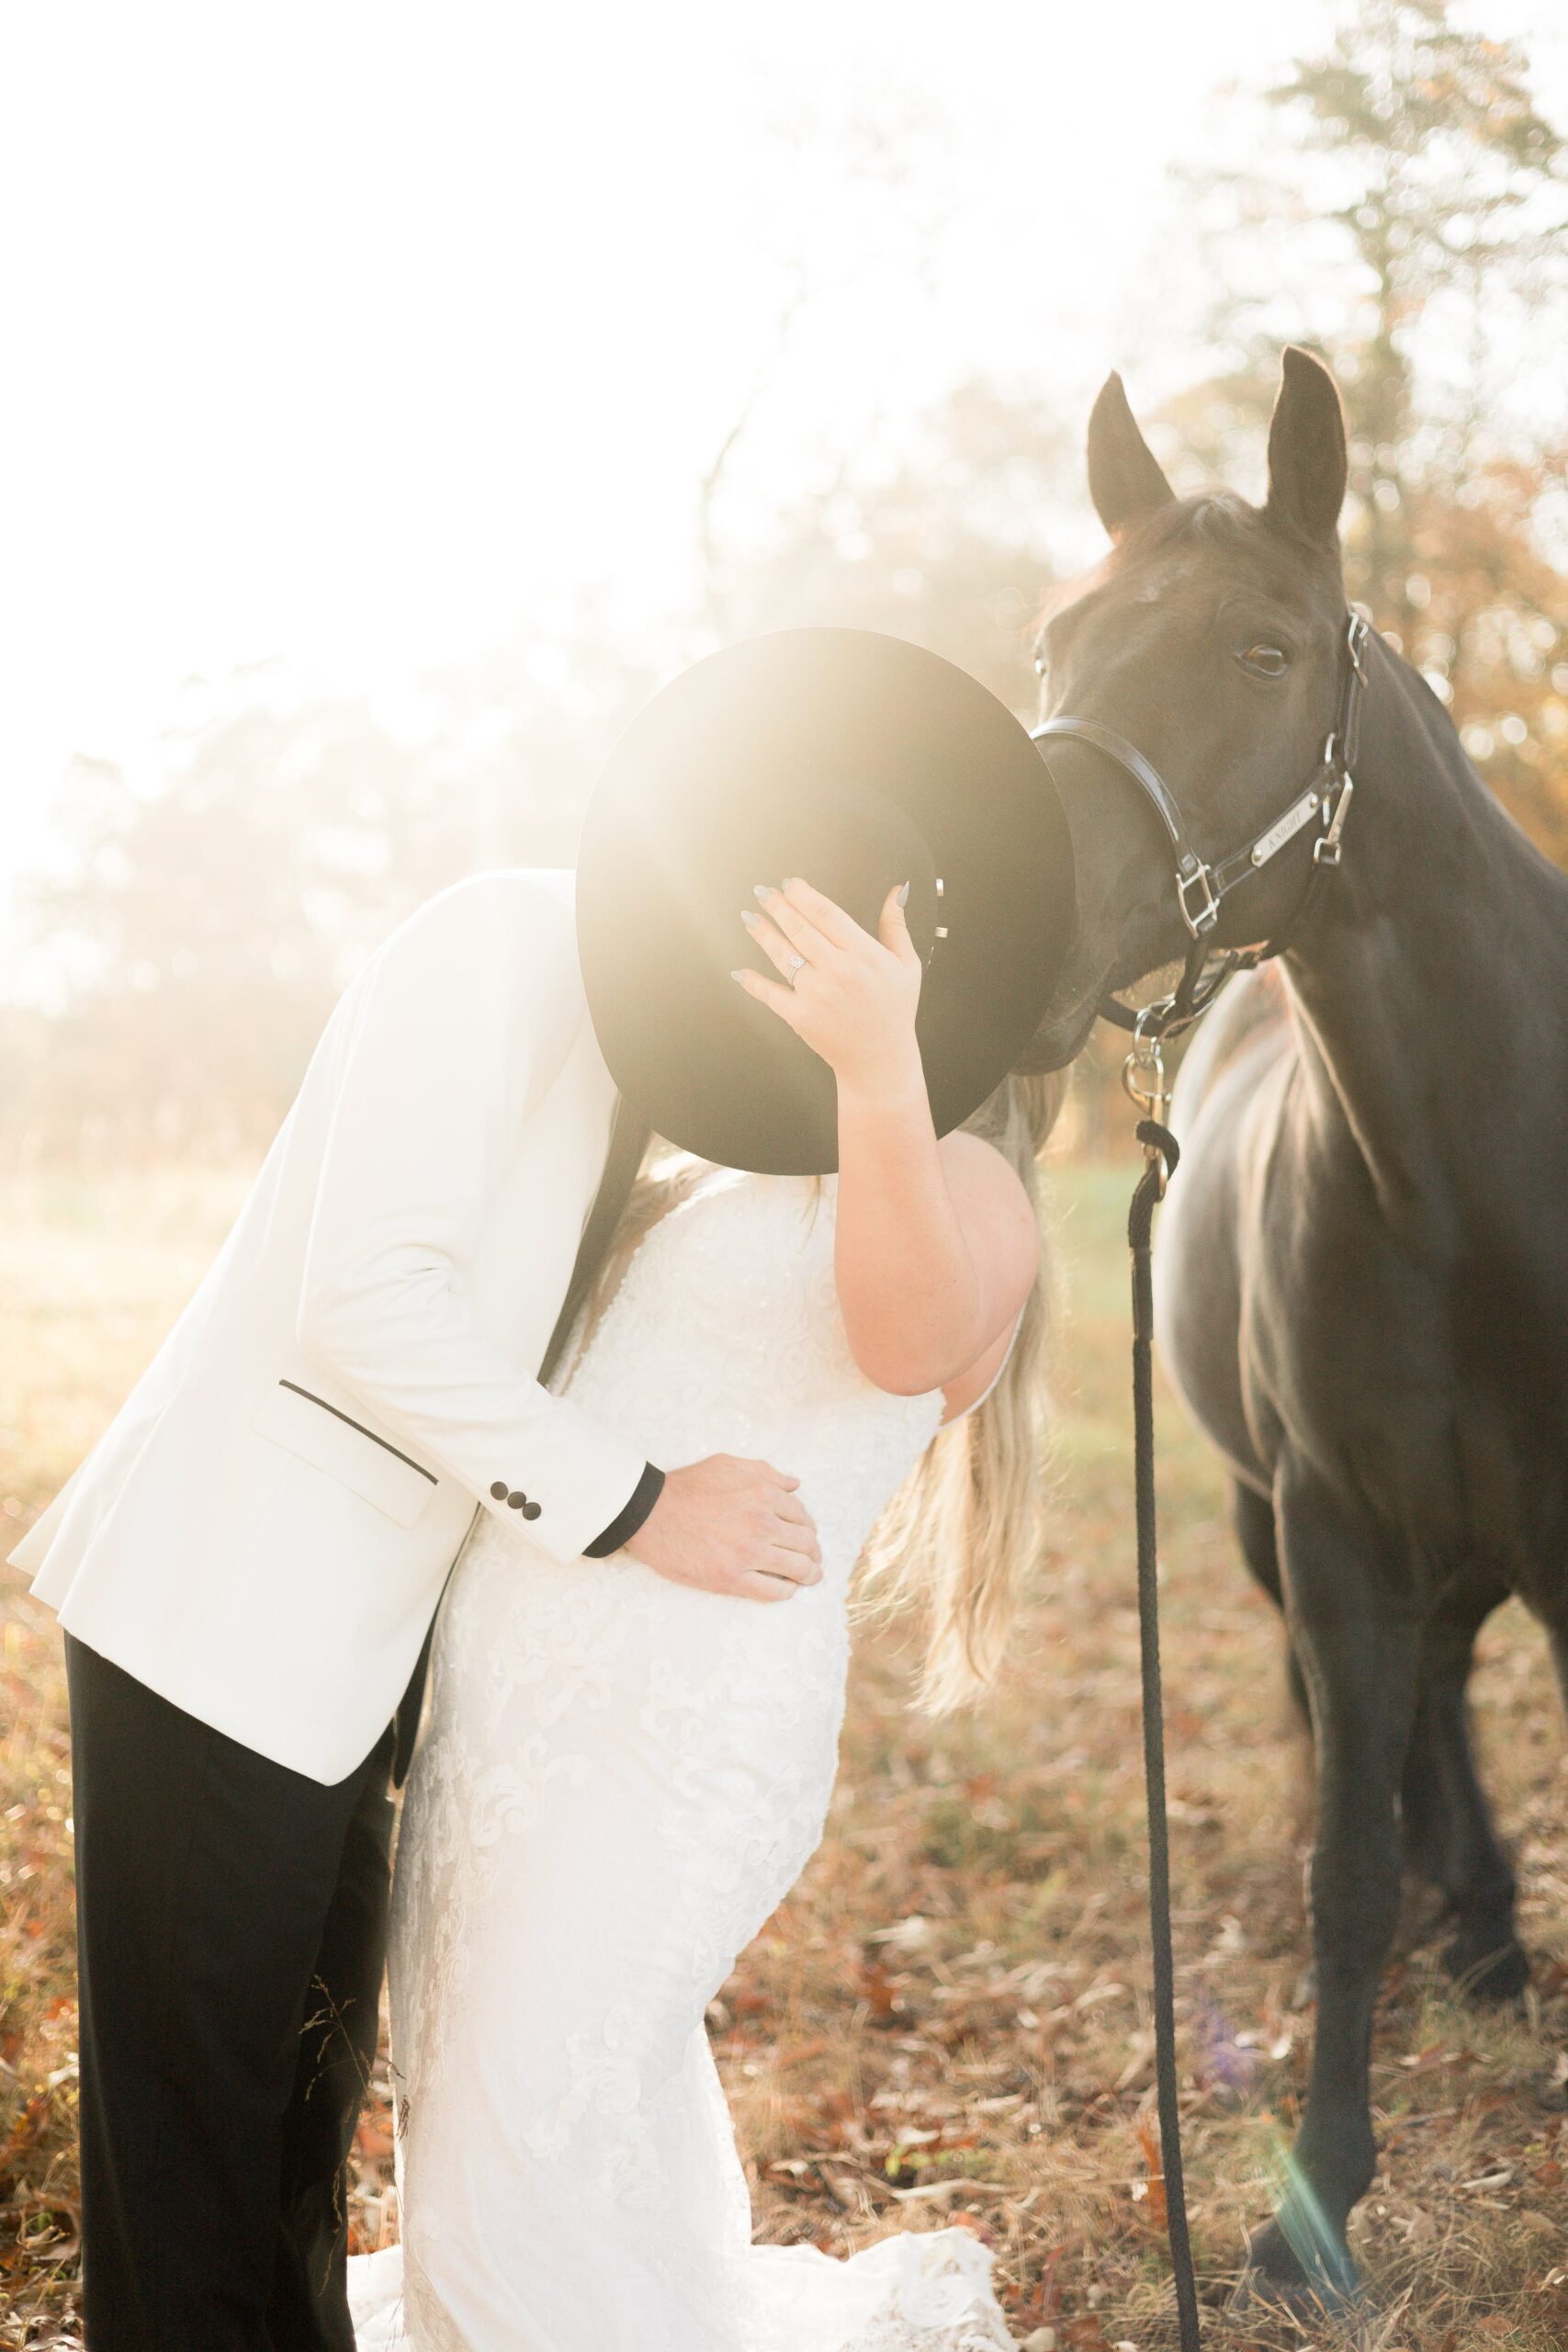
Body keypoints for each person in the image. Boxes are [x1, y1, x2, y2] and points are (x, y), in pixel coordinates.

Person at [348, 628, 1077, 2350]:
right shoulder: (753, 1158)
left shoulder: (974, 1183)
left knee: (529, 2106)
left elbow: (904, 1344)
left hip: (678, 1731)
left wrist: (884, 1065)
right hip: (522, 1702)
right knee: (497, 2108)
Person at [11, 869, 825, 2348]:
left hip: (358, 1656)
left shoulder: (648, 1039)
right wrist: (642, 1505)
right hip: (225, 1612)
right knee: (195, 2167)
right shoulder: (498, 947)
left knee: (293, 2151)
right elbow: (371, 1299)